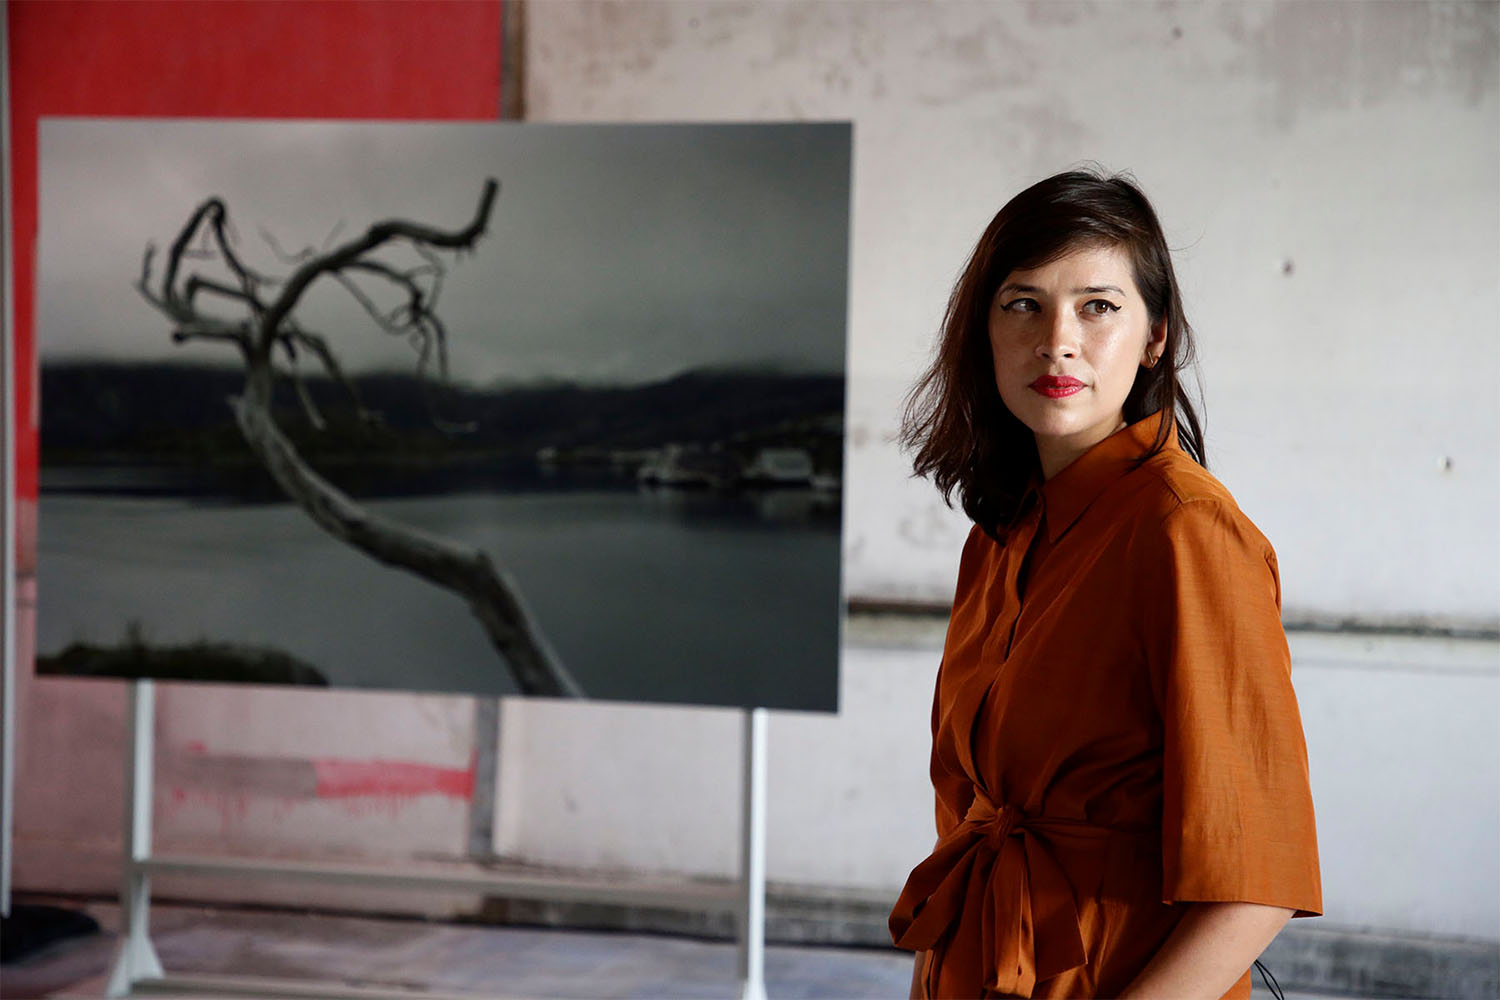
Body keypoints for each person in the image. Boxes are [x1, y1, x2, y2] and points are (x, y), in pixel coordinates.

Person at [888, 169, 1321, 999]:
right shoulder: (1000, 534)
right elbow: (964, 827)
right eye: (1023, 304)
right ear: (983, 330)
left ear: (1155, 337)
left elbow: (1257, 886)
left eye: (1097, 307)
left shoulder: (1186, 531)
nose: (1058, 341)